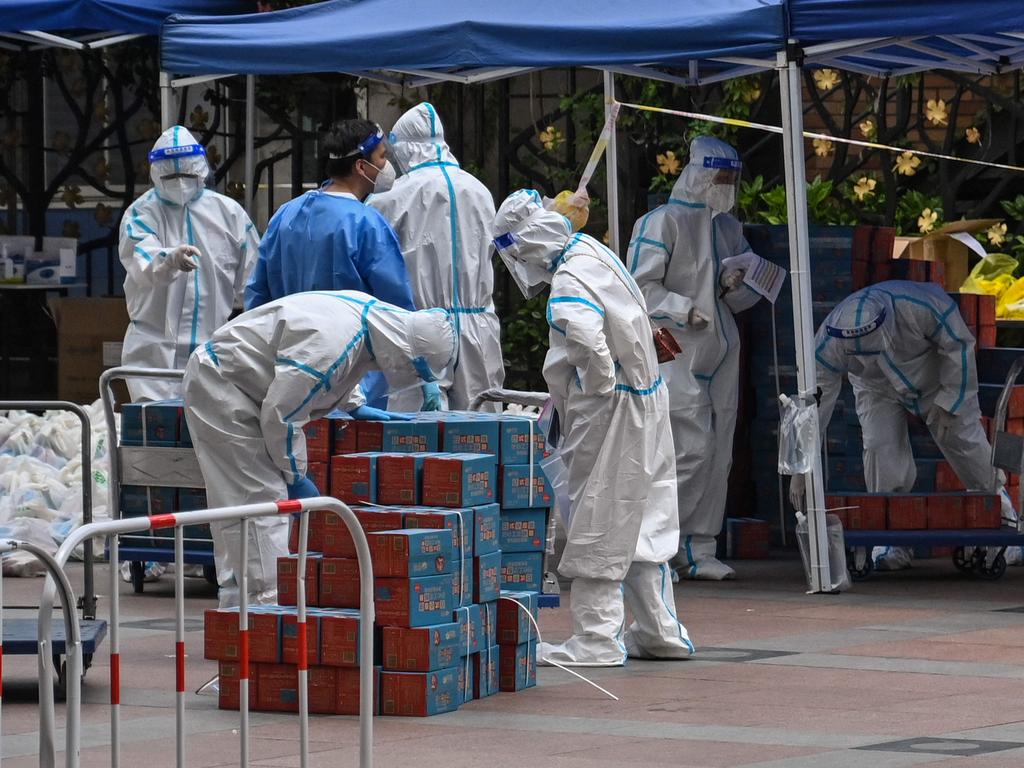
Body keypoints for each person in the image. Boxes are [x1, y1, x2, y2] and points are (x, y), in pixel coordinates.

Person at [493, 189, 693, 666]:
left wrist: (595, 390)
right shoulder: (593, 252)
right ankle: (659, 629)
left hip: (611, 407)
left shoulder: (568, 278)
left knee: (598, 516)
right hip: (646, 397)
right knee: (644, 512)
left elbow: (582, 335)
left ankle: (597, 638)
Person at [183, 291, 456, 607]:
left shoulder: (368, 318)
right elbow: (281, 416)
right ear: (405, 354)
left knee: (240, 510)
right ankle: (263, 617)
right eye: (417, 371)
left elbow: (346, 360)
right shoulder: (331, 345)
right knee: (259, 504)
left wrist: (353, 404)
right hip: (224, 385)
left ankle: (235, 618)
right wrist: (296, 475)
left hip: (242, 380)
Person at [789, 280, 1016, 571]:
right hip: (876, 386)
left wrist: (951, 401)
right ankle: (891, 542)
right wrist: (800, 465)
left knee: (966, 444)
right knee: (880, 447)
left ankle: (1005, 515)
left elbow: (958, 344)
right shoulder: (827, 342)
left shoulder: (920, 306)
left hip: (935, 378)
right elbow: (814, 405)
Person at [627, 136, 763, 581]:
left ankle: (701, 547)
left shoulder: (727, 228)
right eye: (720, 176)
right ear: (700, 174)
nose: (725, 185)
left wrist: (738, 286)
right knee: (687, 450)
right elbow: (639, 290)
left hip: (723, 350)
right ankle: (659, 546)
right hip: (677, 350)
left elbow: (739, 297)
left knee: (719, 451)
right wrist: (685, 308)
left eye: (731, 178)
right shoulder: (660, 223)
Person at [245, 119, 434, 409]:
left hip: (290, 378)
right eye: (382, 157)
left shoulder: (285, 216)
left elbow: (258, 300)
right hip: (354, 385)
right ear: (361, 166)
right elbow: (396, 311)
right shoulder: (367, 224)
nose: (387, 166)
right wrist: (424, 371)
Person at [369, 102, 505, 411]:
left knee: (417, 441)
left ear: (405, 148)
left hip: (421, 330)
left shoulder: (391, 198)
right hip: (478, 327)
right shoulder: (479, 190)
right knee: (481, 433)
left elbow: (372, 263)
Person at [119, 125, 259, 402]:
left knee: (205, 436)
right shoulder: (142, 212)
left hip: (214, 346)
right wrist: (168, 259)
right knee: (157, 432)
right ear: (156, 174)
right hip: (153, 350)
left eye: (186, 174)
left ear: (201, 169)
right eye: (171, 176)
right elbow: (141, 259)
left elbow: (252, 277)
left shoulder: (229, 214)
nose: (180, 183)